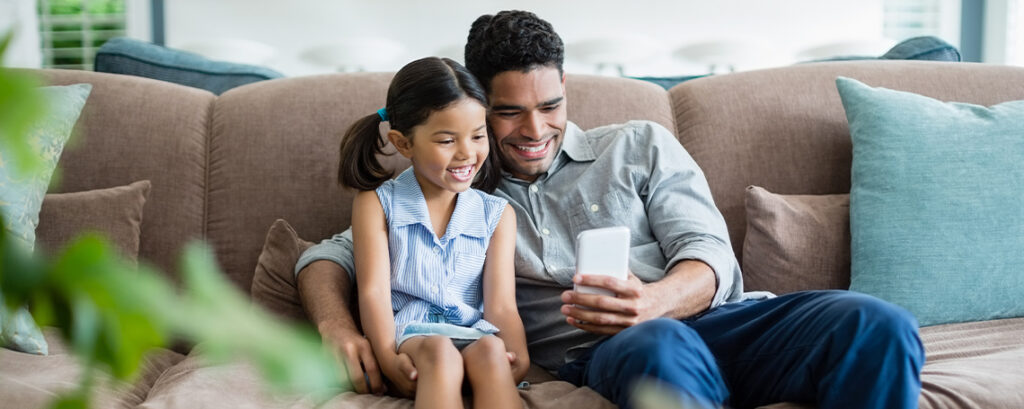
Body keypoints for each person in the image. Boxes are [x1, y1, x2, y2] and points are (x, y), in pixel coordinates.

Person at [296, 10, 925, 409]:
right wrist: (336, 325)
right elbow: (330, 256)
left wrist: (655, 299)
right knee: (657, 348)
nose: (535, 129)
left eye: (550, 104)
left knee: (877, 324)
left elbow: (708, 255)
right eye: (509, 112)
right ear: (474, 109)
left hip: (726, 324)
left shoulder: (638, 144)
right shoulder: (457, 195)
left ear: (566, 88)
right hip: (613, 353)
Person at [337, 56, 528, 409]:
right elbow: (374, 293)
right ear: (403, 143)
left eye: (477, 135)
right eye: (446, 140)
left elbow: (501, 303)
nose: (467, 153)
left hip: (474, 334)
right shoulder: (376, 204)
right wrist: (387, 357)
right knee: (440, 352)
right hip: (412, 338)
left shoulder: (497, 214)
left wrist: (518, 355)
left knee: (491, 350)